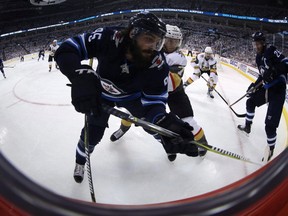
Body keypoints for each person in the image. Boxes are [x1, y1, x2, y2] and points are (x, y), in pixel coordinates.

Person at [55, 12, 200, 183]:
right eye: (149, 38)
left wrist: (162, 122)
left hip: (132, 98)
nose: (154, 46)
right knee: (91, 135)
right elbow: (68, 48)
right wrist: (78, 75)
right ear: (133, 34)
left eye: (158, 41)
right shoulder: (107, 37)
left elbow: (154, 101)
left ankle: (166, 142)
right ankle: (80, 161)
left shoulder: (157, 63)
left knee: (154, 126)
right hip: (101, 95)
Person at [110, 24, 209, 161]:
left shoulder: (178, 58)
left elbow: (171, 81)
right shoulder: (149, 52)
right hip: (152, 90)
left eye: (174, 41)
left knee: (188, 121)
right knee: (130, 113)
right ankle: (123, 129)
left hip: (174, 92)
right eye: (168, 40)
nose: (171, 45)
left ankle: (202, 143)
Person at [238, 32, 287, 162]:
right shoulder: (258, 57)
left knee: (269, 126)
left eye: (258, 42)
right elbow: (262, 76)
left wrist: (275, 69)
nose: (257, 45)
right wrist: (254, 86)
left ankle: (270, 149)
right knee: (250, 102)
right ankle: (247, 126)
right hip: (268, 89)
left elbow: (286, 63)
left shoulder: (271, 50)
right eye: (255, 43)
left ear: (263, 42)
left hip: (278, 91)